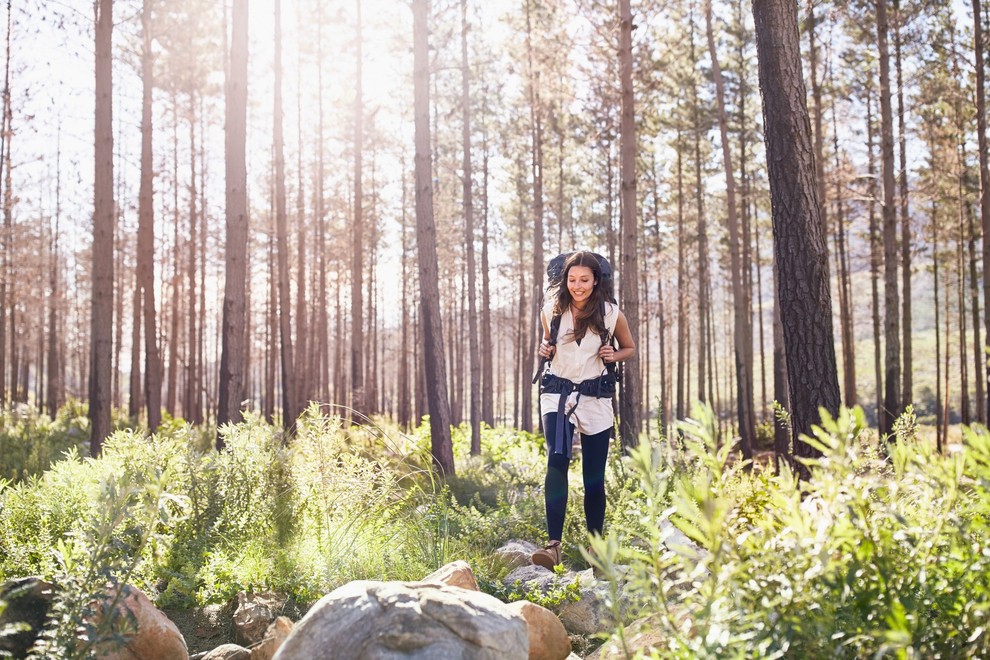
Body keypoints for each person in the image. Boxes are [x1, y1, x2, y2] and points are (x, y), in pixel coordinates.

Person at [531, 251, 636, 569]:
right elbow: (548, 344)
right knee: (557, 459)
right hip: (557, 394)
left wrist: (613, 355)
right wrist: (543, 348)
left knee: (594, 474)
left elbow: (629, 348)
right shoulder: (551, 310)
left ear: (596, 281)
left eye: (584, 280)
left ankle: (595, 547)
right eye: (572, 279)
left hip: (595, 397)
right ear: (564, 280)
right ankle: (553, 546)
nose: (577, 286)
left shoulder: (611, 314)